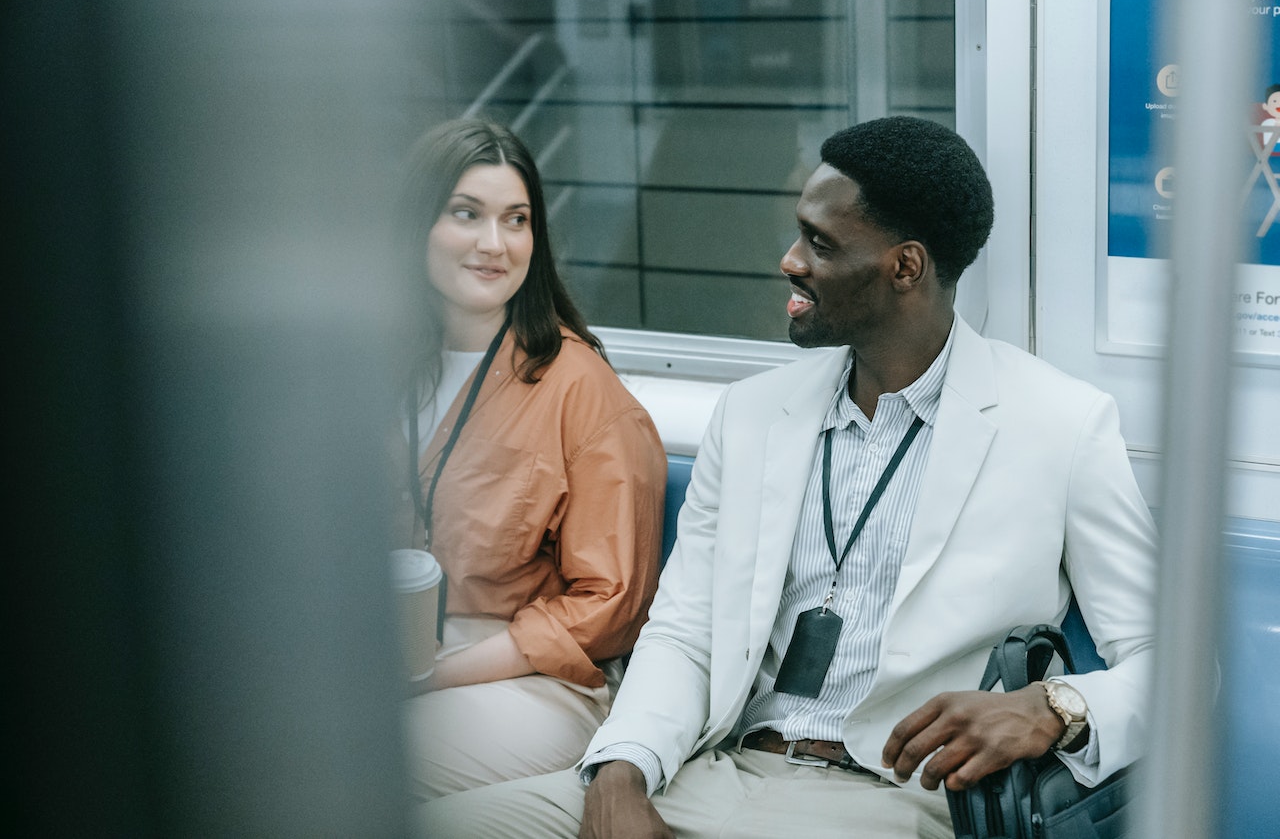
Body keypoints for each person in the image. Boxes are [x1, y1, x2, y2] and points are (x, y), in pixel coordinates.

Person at [420, 116, 1157, 838]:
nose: (789, 260)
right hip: (717, 771)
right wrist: (621, 768)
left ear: (905, 267)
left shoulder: (1060, 424)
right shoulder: (750, 414)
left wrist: (1052, 707)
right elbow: (684, 632)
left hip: (894, 801)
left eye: (820, 243)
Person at [391, 118, 667, 801]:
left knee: (354, 761)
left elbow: (609, 606)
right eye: (466, 214)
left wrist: (433, 674)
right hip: (401, 650)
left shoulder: (582, 392)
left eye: (516, 220)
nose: (494, 243)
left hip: (535, 678)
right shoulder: (376, 366)